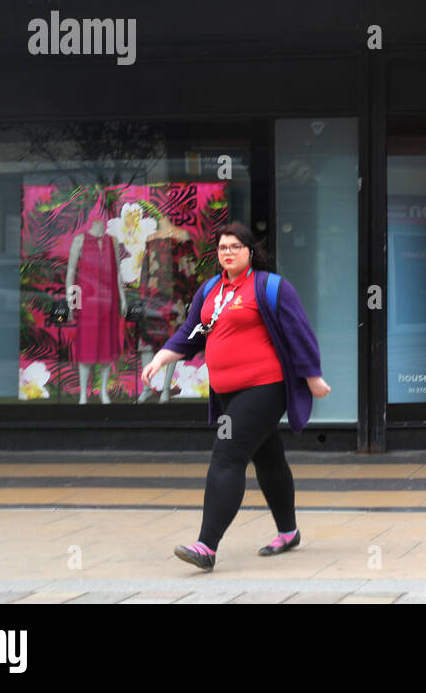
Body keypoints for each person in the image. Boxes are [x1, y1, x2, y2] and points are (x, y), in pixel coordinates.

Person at [141, 222, 330, 570]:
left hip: (264, 388)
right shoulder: (211, 289)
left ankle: (206, 546)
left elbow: (299, 333)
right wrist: (161, 357)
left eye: (235, 246)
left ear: (250, 251)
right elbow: (192, 331)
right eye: (222, 247)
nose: (228, 252)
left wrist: (312, 377)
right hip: (228, 392)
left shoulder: (270, 287)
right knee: (269, 458)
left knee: (227, 456)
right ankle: (288, 533)